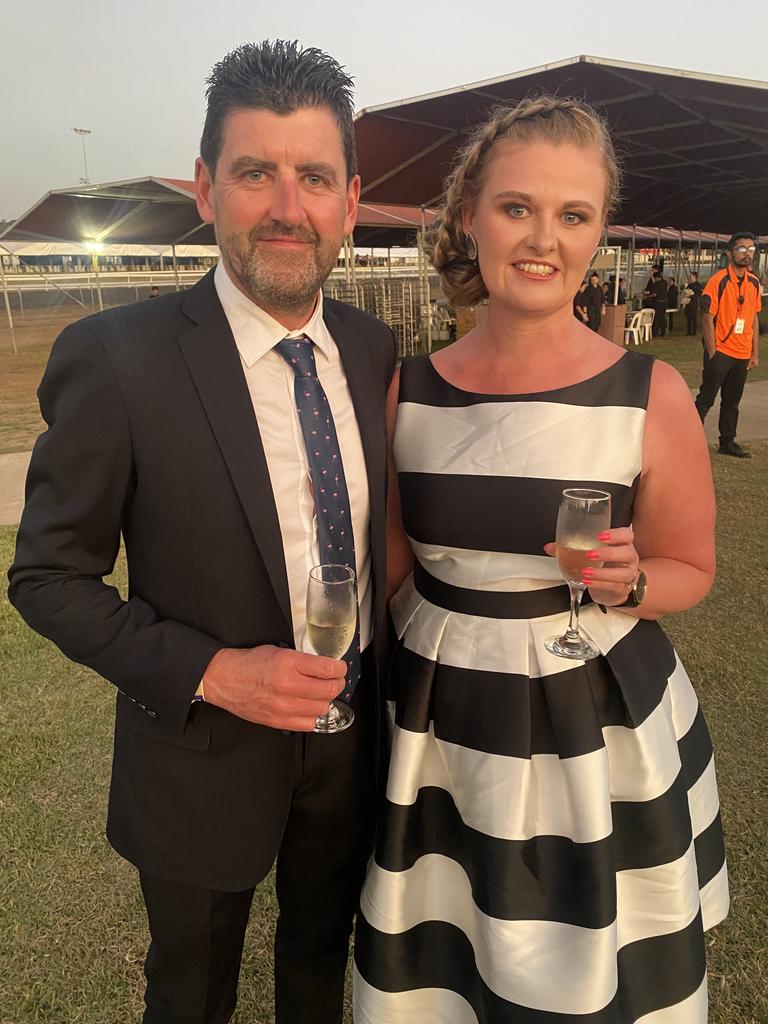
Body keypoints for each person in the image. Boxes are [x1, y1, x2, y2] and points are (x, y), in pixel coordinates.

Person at [8, 40, 396, 1024]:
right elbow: (49, 577)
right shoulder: (118, 358)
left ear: (350, 201)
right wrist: (216, 672)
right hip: (199, 758)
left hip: (353, 752)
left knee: (319, 964)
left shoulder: (369, 346)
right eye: (254, 171)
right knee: (191, 994)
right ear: (206, 189)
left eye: (313, 176)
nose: (285, 204)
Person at [354, 95, 728, 1023]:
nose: (542, 239)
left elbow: (691, 567)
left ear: (600, 232)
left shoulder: (653, 393)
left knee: (588, 961)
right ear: (469, 215)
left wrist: (632, 581)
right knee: (446, 952)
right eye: (518, 207)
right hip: (442, 717)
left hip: (593, 721)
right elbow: (391, 569)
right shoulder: (412, 388)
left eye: (575, 215)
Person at [694, 232, 761, 458]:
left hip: (742, 354)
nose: (747, 254)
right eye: (742, 249)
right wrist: (713, 353)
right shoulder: (718, 281)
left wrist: (754, 353)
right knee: (705, 399)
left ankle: (727, 441)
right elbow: (707, 318)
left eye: (751, 250)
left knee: (732, 401)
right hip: (721, 352)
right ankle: (687, 439)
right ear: (730, 253)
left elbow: (753, 318)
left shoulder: (753, 283)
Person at [649, 268, 669, 337]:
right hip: (665, 302)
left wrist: (648, 296)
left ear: (656, 278)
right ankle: (662, 332)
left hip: (658, 303)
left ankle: (655, 332)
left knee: (657, 318)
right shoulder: (665, 282)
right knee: (662, 317)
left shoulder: (657, 283)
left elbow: (654, 294)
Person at [683, 270, 703, 336]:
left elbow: (698, 294)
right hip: (688, 302)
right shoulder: (689, 285)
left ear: (694, 277)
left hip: (694, 303)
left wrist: (692, 295)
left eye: (691, 276)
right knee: (688, 317)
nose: (690, 277)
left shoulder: (698, 285)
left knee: (693, 317)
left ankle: (694, 332)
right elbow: (685, 292)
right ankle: (688, 331)